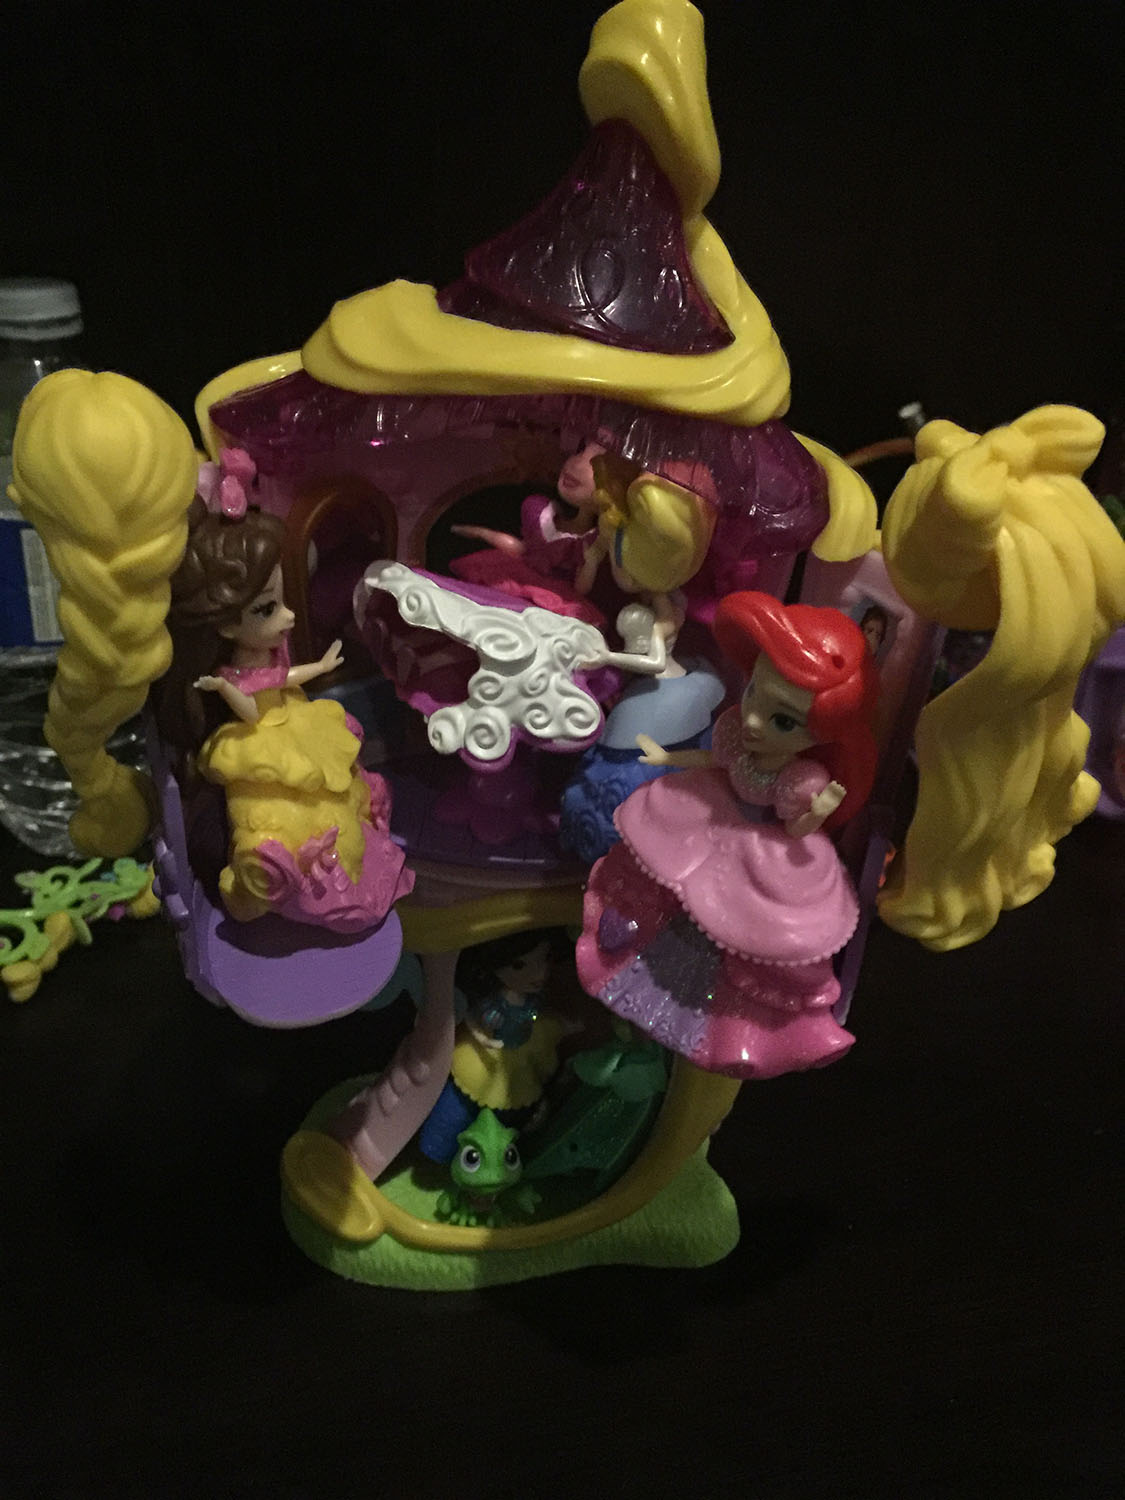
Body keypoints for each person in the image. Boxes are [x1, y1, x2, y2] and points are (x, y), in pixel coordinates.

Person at [576, 591, 879, 1080]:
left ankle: (723, 1021)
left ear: (822, 734)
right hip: (715, 812)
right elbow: (717, 760)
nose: (754, 720)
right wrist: (667, 757)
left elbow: (795, 824)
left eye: (783, 721)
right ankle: (632, 945)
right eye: (755, 692)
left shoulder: (801, 778)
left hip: (764, 844)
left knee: (741, 924)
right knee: (669, 873)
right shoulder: (738, 735)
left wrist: (817, 813)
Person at [150, 484, 414, 929]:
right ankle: (302, 873)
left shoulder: (266, 658)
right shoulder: (232, 674)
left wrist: (322, 666)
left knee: (336, 775)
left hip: (292, 715)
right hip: (261, 735)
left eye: (283, 601)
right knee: (281, 800)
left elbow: (282, 679)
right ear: (225, 624)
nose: (289, 617)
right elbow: (252, 711)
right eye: (267, 609)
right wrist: (225, 688)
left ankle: (351, 852)